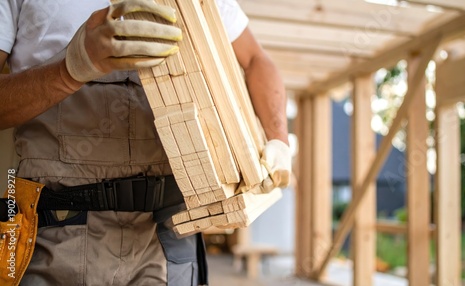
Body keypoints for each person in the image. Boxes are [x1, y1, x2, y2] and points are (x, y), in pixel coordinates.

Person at [0, 0, 291, 285]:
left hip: (169, 233)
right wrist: (69, 70)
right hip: (59, 229)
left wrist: (277, 138)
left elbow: (256, 59)